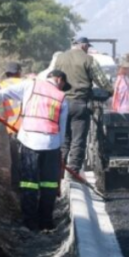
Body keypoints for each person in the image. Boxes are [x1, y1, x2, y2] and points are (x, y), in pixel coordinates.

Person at [0, 70, 70, 231]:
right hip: (51, 144)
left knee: (29, 183)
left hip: (29, 141)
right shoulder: (62, 98)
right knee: (49, 184)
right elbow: (62, 129)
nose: (62, 87)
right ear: (58, 79)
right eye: (63, 84)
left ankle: (29, 222)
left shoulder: (30, 85)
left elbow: (2, 94)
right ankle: (45, 221)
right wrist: (58, 148)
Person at [53, 36, 112, 176]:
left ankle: (59, 170)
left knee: (63, 139)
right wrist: (110, 90)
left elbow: (54, 77)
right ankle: (73, 171)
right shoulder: (88, 60)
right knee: (78, 140)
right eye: (87, 47)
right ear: (84, 46)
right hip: (80, 104)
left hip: (62, 103)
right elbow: (101, 80)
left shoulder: (60, 58)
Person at [0, 62, 25, 192]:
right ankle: (31, 184)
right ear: (19, 72)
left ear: (6, 73)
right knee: (29, 157)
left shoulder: (1, 86)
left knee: (16, 158)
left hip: (12, 127)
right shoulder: (28, 83)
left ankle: (16, 186)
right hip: (30, 126)